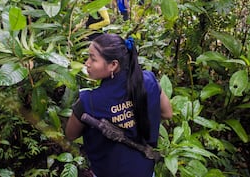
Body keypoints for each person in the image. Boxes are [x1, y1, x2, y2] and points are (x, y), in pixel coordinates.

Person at [65, 34, 173, 177]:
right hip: (145, 170)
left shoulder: (89, 101)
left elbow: (70, 135)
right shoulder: (149, 81)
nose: (87, 63)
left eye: (93, 58)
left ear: (113, 65)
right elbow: (167, 113)